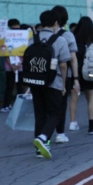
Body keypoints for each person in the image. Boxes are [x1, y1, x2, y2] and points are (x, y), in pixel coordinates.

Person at [32, 10, 71, 159]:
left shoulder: (33, 39)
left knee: (40, 114)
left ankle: (40, 149)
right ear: (56, 23)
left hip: (36, 82)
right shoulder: (60, 40)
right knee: (55, 113)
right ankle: (43, 138)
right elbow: (63, 65)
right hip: (54, 82)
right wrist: (63, 84)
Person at [52, 5, 81, 144]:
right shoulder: (68, 35)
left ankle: (42, 134)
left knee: (45, 106)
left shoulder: (42, 35)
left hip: (44, 76)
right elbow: (73, 58)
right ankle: (60, 133)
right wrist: (76, 79)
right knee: (61, 104)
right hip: (63, 76)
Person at [68, 16, 93, 131]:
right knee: (90, 94)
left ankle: (73, 122)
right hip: (88, 73)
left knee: (74, 97)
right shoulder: (90, 41)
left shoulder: (73, 39)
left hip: (74, 72)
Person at [0, 19, 24, 112]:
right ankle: (6, 105)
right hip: (9, 67)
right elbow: (5, 54)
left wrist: (20, 64)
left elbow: (24, 52)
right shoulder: (5, 38)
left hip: (20, 66)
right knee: (9, 86)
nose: (16, 29)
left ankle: (20, 106)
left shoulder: (22, 37)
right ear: (10, 27)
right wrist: (11, 66)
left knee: (20, 87)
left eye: (17, 27)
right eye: (14, 27)